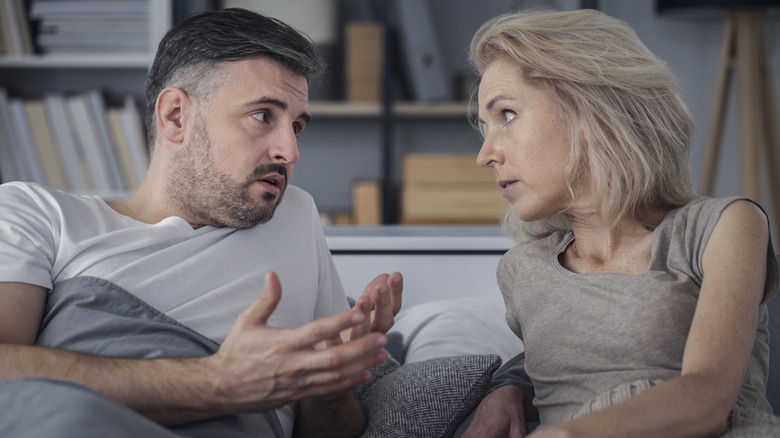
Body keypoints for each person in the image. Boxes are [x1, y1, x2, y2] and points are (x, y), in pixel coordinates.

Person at [0, 8, 402, 438]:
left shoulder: (295, 217)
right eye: (264, 115)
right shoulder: (38, 214)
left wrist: (333, 385)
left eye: (297, 126)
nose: (290, 150)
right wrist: (219, 383)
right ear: (176, 116)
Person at [459, 9, 780, 438]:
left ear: (589, 106)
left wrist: (566, 434)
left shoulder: (724, 227)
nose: (485, 154)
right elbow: (562, 354)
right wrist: (507, 389)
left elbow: (708, 397)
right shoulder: (522, 272)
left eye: (508, 116)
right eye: (485, 128)